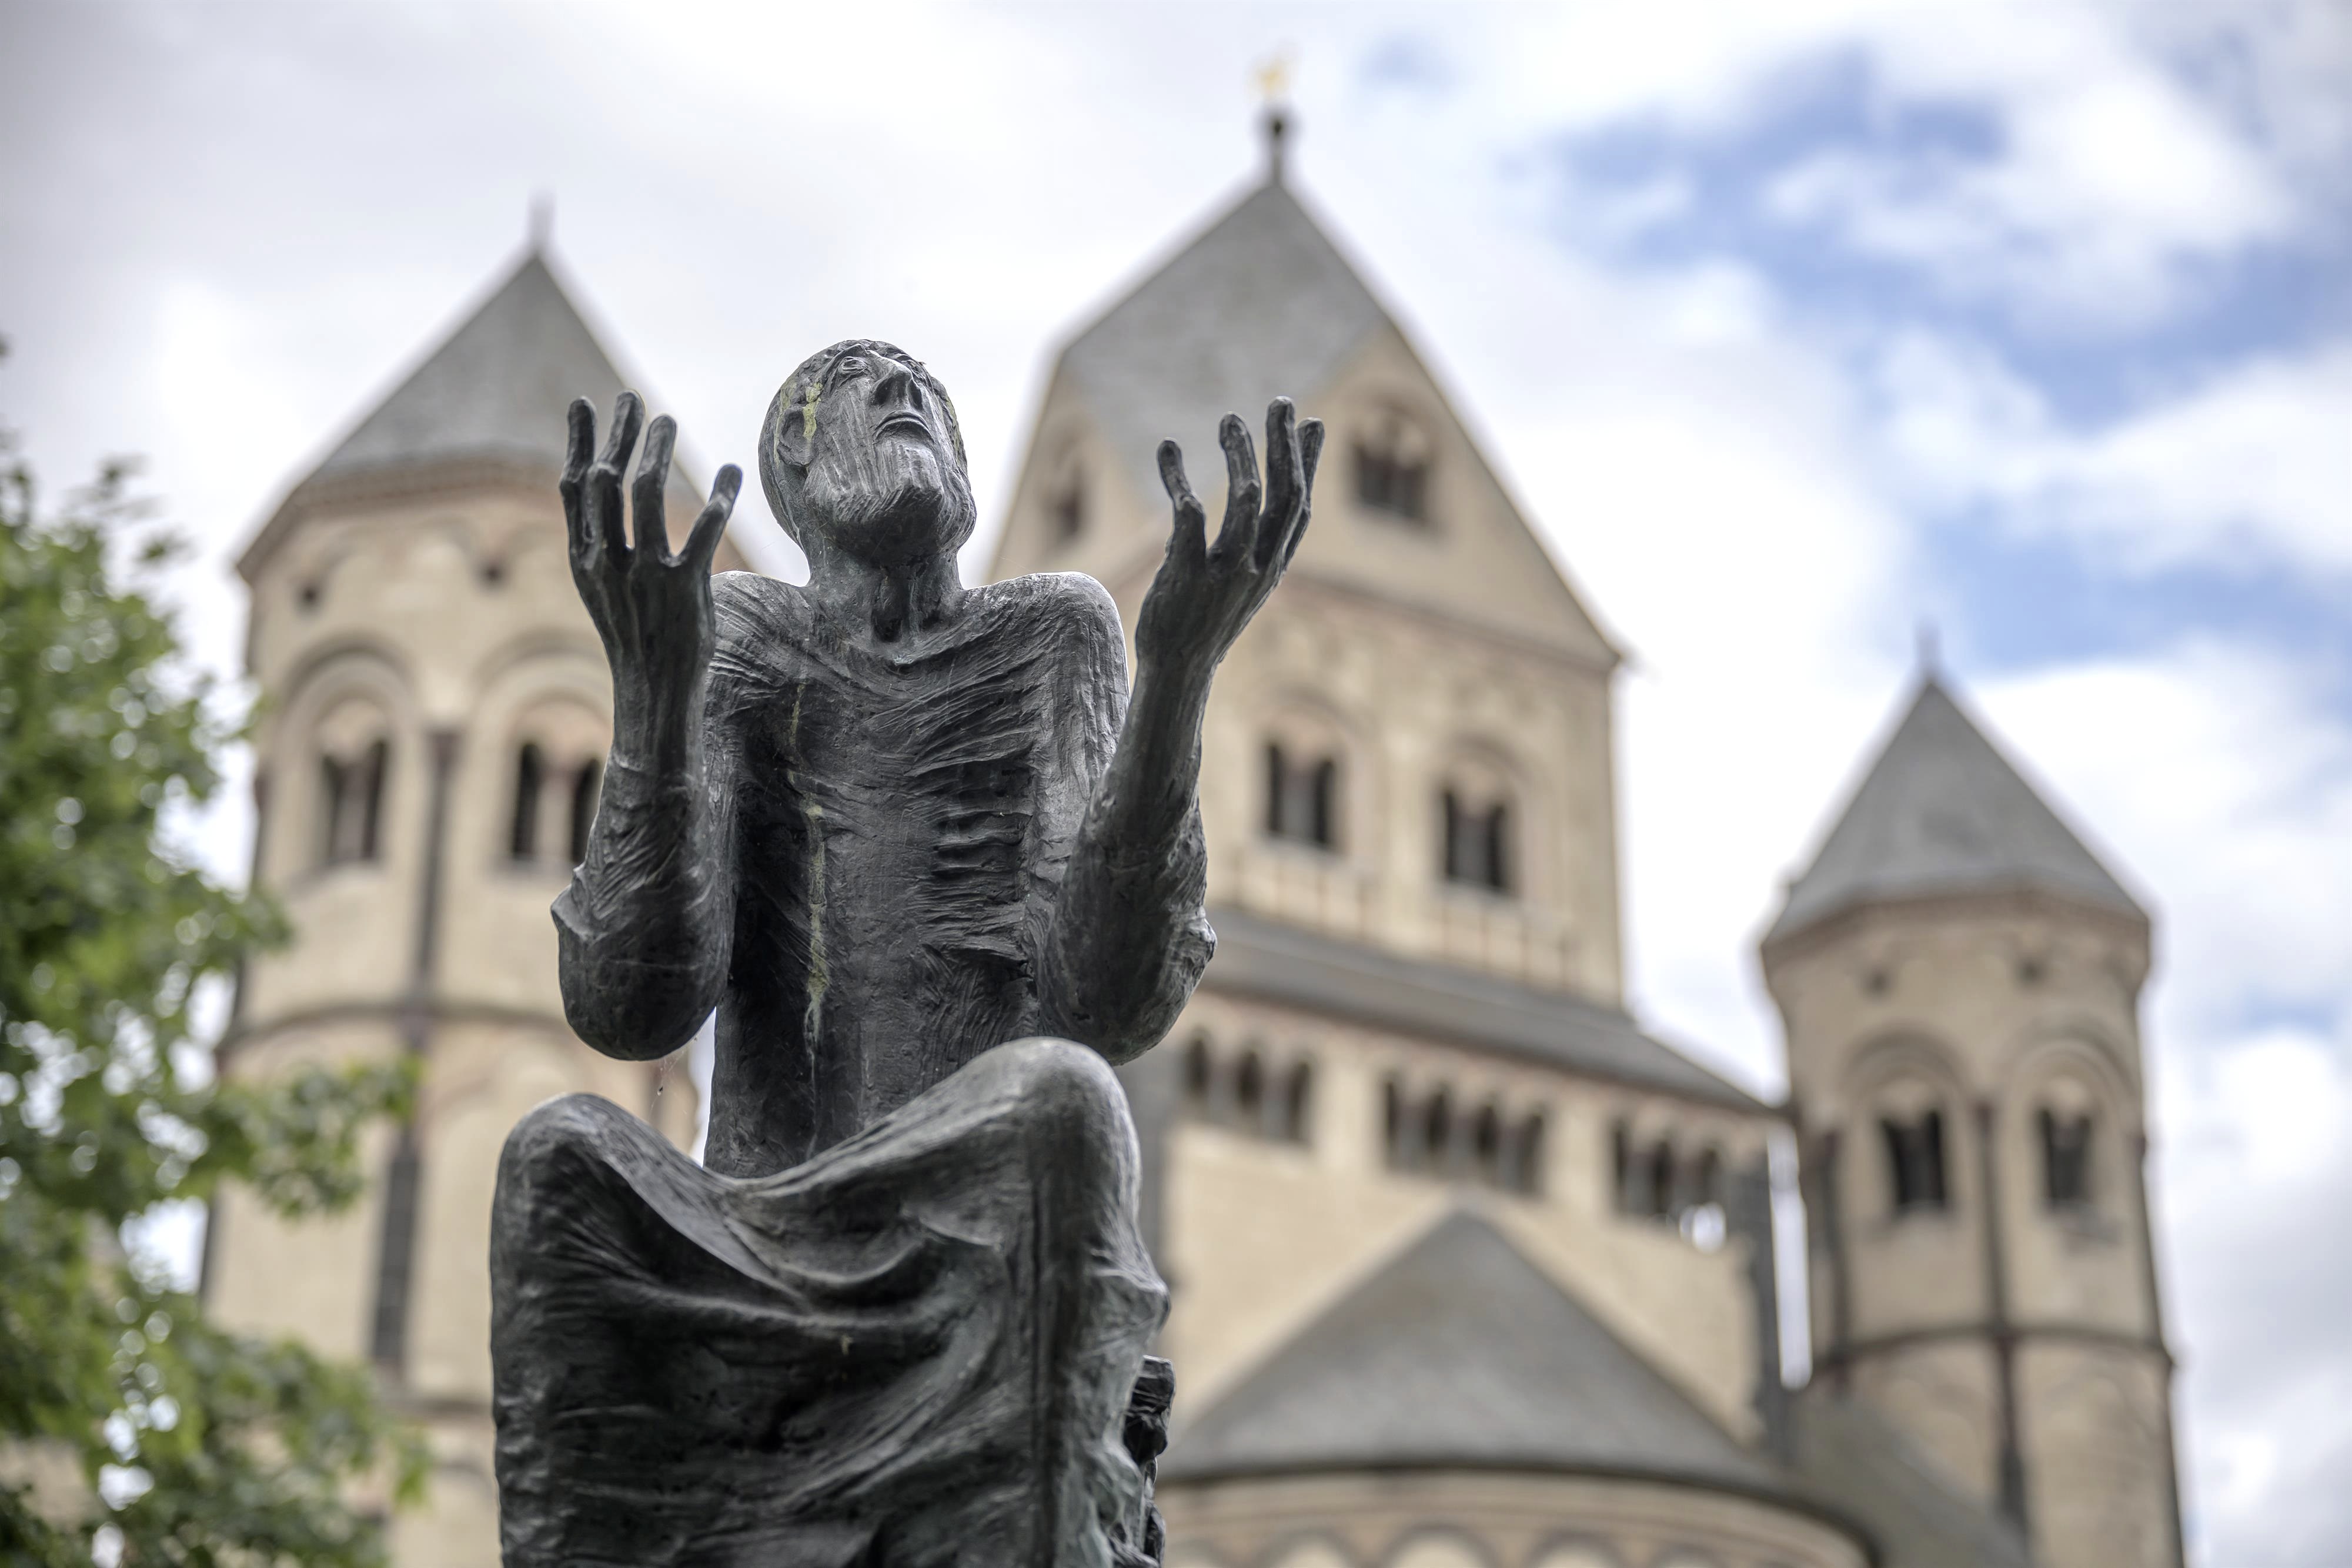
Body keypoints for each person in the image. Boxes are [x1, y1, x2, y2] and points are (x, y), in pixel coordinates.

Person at [489, 340, 1321, 1568]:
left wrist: (1179, 674)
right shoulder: (738, 636)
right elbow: (629, 1005)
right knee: (557, 1151)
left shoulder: (1055, 632)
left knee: (1062, 1097)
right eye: (861, 387)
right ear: (792, 470)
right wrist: (653, 695)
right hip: (763, 1222)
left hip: (972, 1203)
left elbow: (1108, 1000)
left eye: (929, 395)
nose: (906, 395)